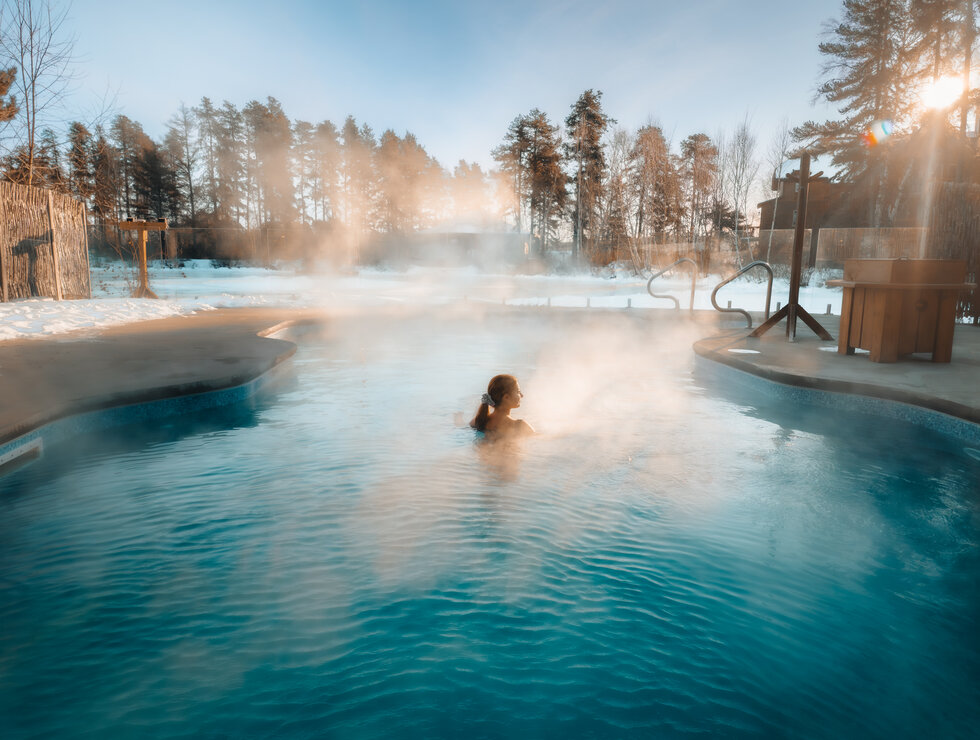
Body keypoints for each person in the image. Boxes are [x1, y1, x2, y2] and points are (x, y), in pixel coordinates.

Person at [469, 374, 534, 439]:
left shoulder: (478, 421)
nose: (522, 395)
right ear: (506, 397)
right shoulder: (520, 426)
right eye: (518, 392)